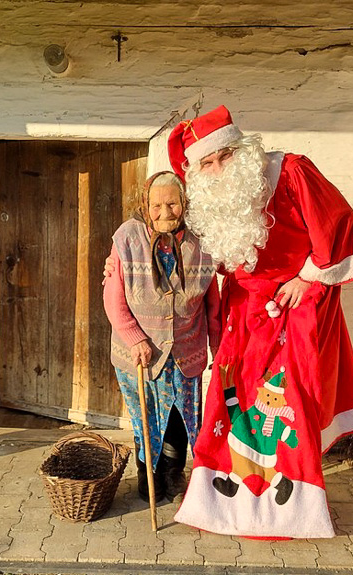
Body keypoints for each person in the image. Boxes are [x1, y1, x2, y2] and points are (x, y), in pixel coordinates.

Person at [164, 105, 353, 538]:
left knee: (289, 402)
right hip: (242, 313)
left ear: (241, 148)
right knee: (229, 397)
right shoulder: (207, 201)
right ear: (198, 170)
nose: (219, 167)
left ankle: (292, 511)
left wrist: (306, 278)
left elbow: (336, 223)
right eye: (208, 162)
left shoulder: (290, 171)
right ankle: (222, 506)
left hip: (293, 309)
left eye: (225, 155)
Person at [103, 171, 221, 503]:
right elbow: (113, 297)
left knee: (181, 419)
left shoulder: (201, 240)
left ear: (184, 204)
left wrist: (219, 344)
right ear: (146, 203)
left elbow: (213, 300)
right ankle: (149, 481)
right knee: (146, 420)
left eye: (172, 203)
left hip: (187, 350)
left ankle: (173, 477)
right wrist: (133, 337)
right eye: (157, 205)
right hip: (138, 353)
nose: (164, 212)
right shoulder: (127, 236)